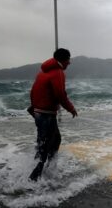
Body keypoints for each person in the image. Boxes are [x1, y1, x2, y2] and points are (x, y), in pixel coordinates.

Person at [28, 48, 77, 181]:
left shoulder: (42, 72)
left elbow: (32, 91)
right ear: (63, 60)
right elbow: (60, 94)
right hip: (47, 114)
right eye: (68, 60)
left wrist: (34, 108)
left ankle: (44, 167)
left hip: (39, 112)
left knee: (45, 141)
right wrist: (71, 108)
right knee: (50, 141)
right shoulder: (58, 72)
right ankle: (36, 176)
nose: (69, 63)